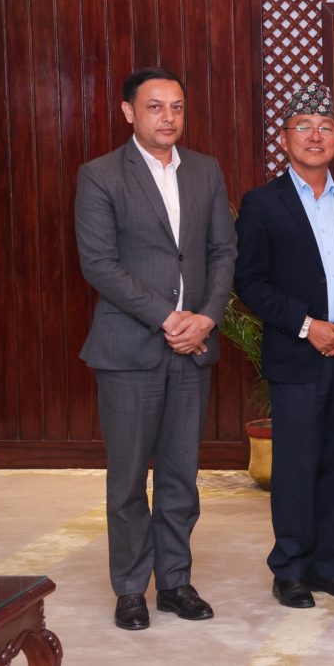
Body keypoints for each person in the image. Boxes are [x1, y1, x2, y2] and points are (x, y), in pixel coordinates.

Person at [74, 67, 237, 630]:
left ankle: (174, 582)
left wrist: (207, 317)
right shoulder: (100, 175)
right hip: (129, 349)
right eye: (154, 106)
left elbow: (223, 252)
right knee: (127, 481)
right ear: (128, 112)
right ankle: (129, 588)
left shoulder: (206, 171)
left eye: (177, 107)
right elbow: (98, 263)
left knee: (179, 476)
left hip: (193, 347)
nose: (168, 117)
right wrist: (169, 318)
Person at [234, 83, 334, 609]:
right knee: (297, 467)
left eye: (325, 127)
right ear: (284, 139)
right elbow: (250, 281)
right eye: (303, 126)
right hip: (298, 354)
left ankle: (329, 567)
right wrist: (308, 326)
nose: (315, 135)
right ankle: (290, 570)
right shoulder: (263, 203)